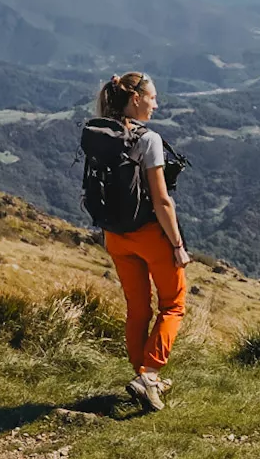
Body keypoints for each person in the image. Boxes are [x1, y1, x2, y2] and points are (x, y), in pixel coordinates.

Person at [95, 71, 190, 412]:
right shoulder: (147, 140)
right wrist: (178, 245)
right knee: (173, 305)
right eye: (152, 97)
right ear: (136, 99)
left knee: (137, 309)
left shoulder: (100, 133)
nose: (156, 103)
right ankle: (149, 375)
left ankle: (143, 379)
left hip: (115, 236)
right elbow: (163, 201)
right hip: (148, 234)